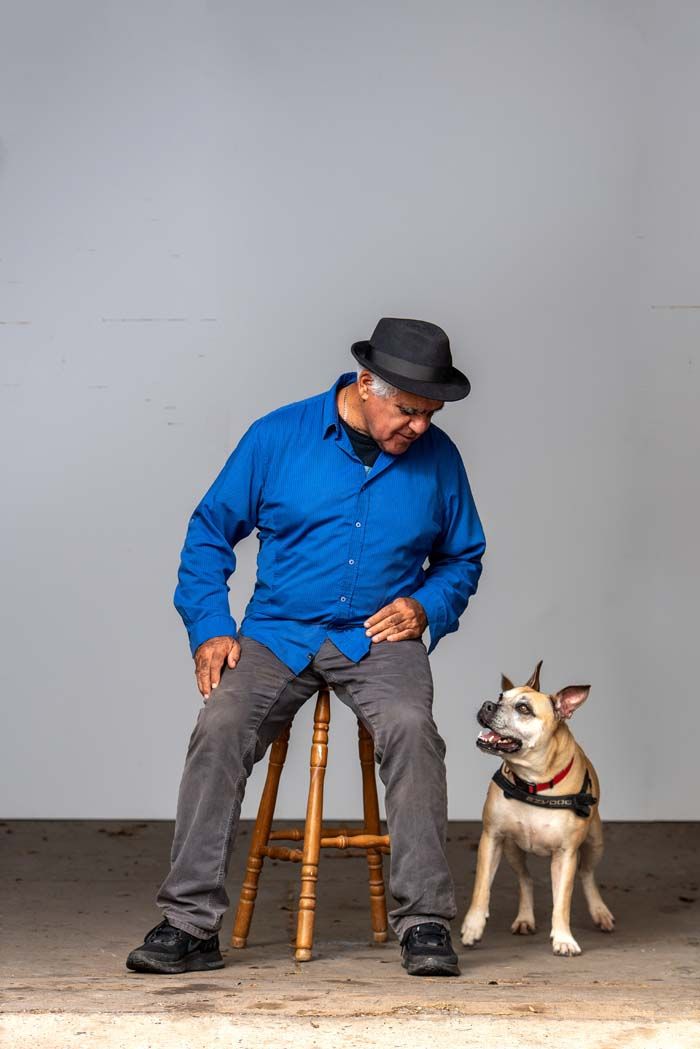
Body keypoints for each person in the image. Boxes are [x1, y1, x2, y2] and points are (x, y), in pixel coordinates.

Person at [126, 317, 486, 977]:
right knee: (220, 725)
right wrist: (211, 625)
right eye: (409, 411)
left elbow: (463, 555)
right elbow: (209, 532)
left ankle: (426, 922)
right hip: (279, 630)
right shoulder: (276, 437)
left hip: (377, 634)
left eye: (431, 414)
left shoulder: (440, 459)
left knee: (413, 730)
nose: (421, 427)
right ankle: (189, 923)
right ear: (366, 385)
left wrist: (426, 606)